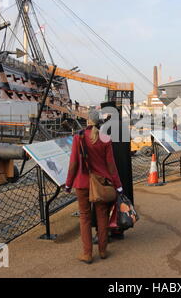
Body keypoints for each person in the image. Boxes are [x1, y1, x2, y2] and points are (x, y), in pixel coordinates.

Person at [65, 110, 123, 264]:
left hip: (82, 183)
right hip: (101, 183)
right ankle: (103, 251)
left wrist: (68, 183)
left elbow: (73, 164)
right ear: (99, 122)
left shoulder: (78, 138)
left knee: (84, 217)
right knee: (102, 216)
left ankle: (87, 253)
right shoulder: (105, 139)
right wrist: (118, 185)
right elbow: (111, 165)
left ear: (88, 122)